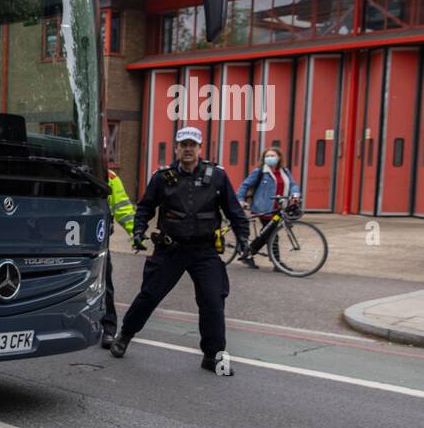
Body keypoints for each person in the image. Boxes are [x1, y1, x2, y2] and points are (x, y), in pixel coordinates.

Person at [109, 126, 250, 374]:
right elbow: (145, 208)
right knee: (149, 295)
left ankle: (214, 358)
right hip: (170, 249)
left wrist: (244, 239)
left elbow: (234, 211)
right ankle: (124, 335)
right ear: (176, 148)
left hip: (204, 251)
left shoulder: (216, 176)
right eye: (183, 145)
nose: (187, 149)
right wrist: (138, 232)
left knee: (213, 301)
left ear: (199, 148)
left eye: (192, 145)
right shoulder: (162, 178)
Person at [236, 147, 301, 270]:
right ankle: (277, 264)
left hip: (280, 208)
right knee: (272, 234)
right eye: (267, 156)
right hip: (263, 207)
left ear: (279, 157)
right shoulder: (260, 171)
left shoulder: (285, 171)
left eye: (273, 155)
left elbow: (292, 185)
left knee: (266, 233)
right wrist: (239, 199)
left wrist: (295, 193)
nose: (269, 158)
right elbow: (245, 185)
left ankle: (248, 253)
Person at [99, 168, 136, 349]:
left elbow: (123, 209)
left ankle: (108, 329)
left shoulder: (111, 177)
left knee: (105, 284)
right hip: (66, 238)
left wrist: (136, 233)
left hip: (98, 241)